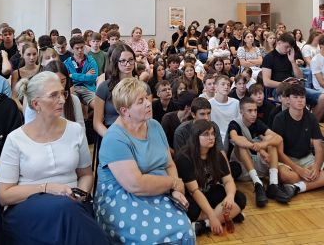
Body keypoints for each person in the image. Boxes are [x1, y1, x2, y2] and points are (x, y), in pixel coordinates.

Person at [0, 72, 107, 244]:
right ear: (36, 104)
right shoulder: (15, 139)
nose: (62, 100)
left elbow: (86, 174)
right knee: (65, 209)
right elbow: (5, 195)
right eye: (54, 95)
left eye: (62, 93)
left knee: (69, 210)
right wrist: (47, 188)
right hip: (28, 208)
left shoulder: (75, 130)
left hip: (72, 205)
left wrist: (81, 195)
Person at [95, 77, 194, 244]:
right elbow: (136, 185)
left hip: (158, 189)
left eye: (146, 98)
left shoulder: (154, 126)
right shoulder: (114, 138)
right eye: (140, 101)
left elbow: (169, 163)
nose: (148, 103)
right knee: (152, 238)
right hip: (123, 196)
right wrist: (174, 183)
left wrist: (176, 189)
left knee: (184, 229)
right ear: (125, 111)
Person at [273, 84, 324, 195]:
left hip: (307, 158)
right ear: (288, 100)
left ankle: (299, 187)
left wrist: (317, 167)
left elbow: (319, 148)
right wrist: (299, 170)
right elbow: (279, 153)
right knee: (285, 176)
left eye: (302, 97)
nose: (300, 100)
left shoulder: (311, 117)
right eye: (295, 97)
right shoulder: (279, 119)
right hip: (288, 160)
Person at [176, 119, 246, 235]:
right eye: (206, 134)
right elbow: (194, 191)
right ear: (196, 137)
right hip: (193, 197)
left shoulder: (217, 154)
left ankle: (204, 225)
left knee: (239, 198)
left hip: (209, 192)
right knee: (188, 208)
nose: (211, 137)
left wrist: (230, 196)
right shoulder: (184, 157)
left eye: (213, 134)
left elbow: (228, 180)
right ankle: (226, 216)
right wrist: (212, 215)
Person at [228, 97, 292, 206]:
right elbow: (235, 138)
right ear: (241, 111)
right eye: (249, 111)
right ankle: (257, 184)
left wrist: (263, 145)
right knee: (241, 143)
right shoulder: (234, 124)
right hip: (242, 166)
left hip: (257, 163)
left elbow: (278, 138)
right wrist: (256, 147)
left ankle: (273, 184)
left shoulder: (257, 123)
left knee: (271, 140)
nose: (253, 114)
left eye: (255, 110)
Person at [93, 44, 139, 138]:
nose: (128, 64)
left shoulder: (142, 87)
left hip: (136, 132)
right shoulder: (104, 87)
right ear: (115, 62)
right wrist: (111, 137)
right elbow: (97, 123)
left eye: (131, 60)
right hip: (111, 132)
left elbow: (147, 119)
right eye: (123, 61)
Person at [65, 36, 99, 112]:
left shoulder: (91, 61)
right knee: (74, 106)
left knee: (98, 106)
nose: (80, 50)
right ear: (72, 49)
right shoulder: (66, 63)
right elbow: (67, 80)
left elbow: (93, 79)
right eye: (77, 48)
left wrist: (73, 75)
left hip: (88, 88)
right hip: (73, 88)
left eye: (82, 47)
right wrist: (86, 75)